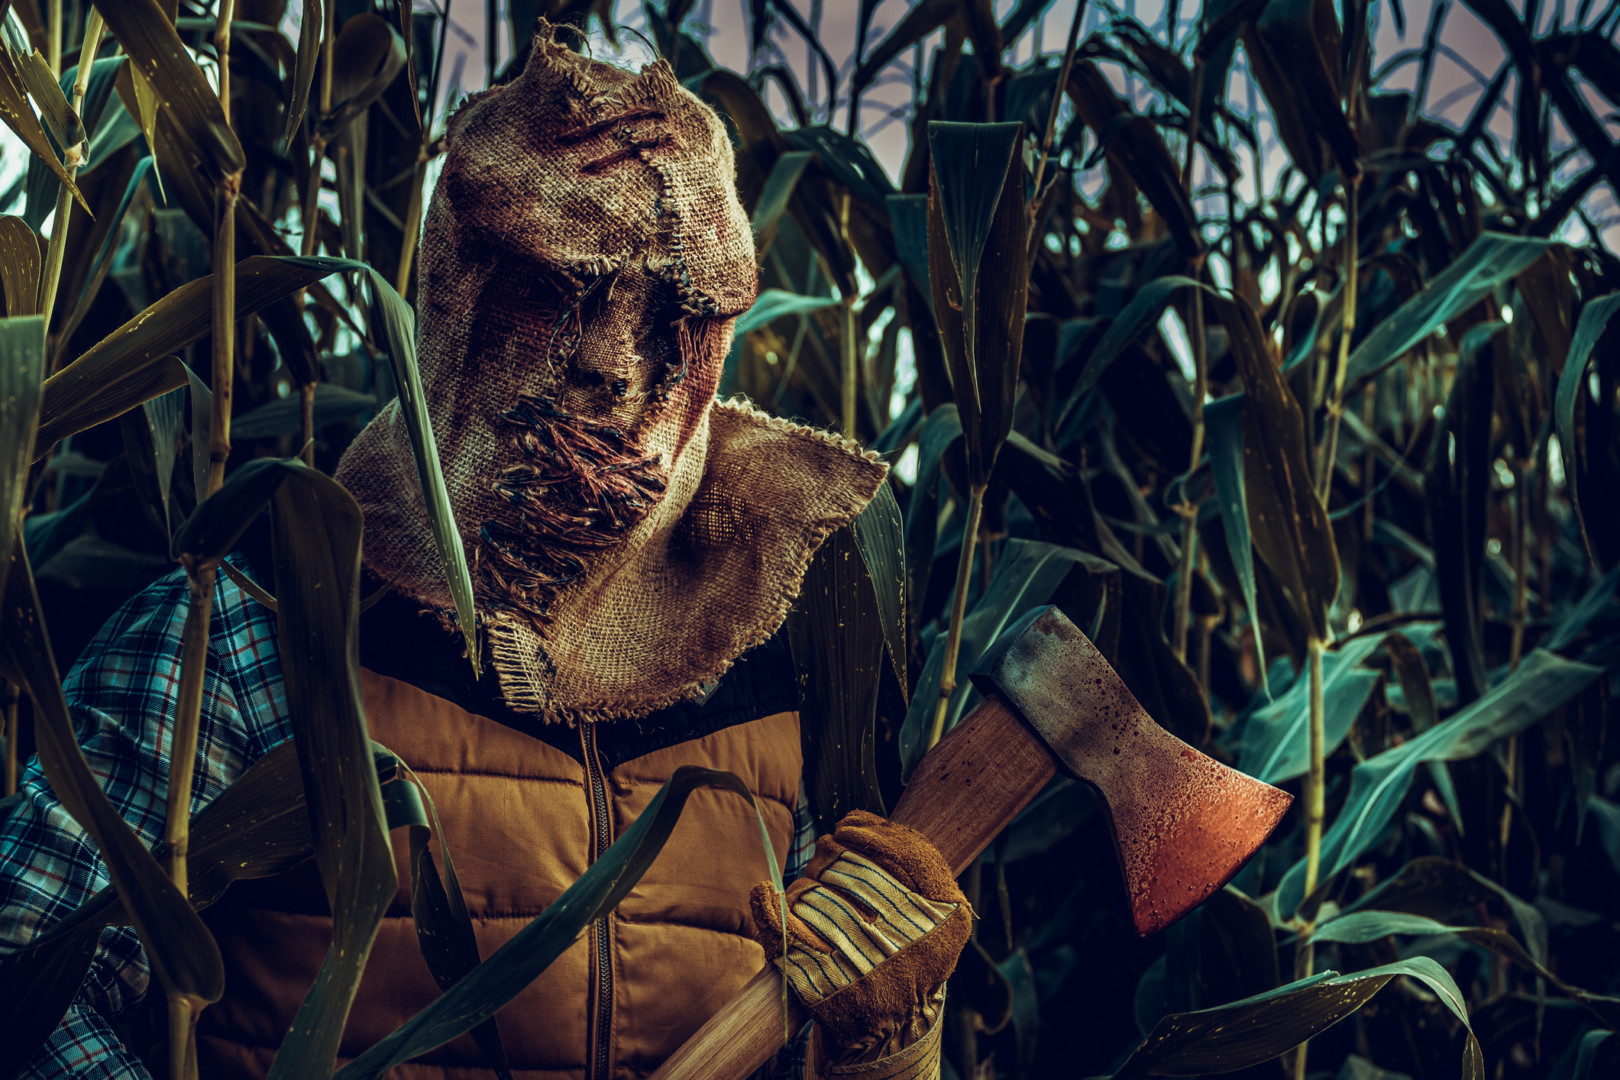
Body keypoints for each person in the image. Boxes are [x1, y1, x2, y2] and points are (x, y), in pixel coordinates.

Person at [0, 21, 968, 1080]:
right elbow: (27, 978)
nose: (609, 362)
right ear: (457, 288)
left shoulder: (769, 650)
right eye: (564, 293)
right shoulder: (256, 626)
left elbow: (810, 1042)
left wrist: (893, 1040)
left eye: (672, 315)